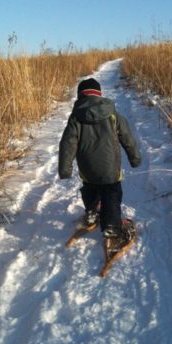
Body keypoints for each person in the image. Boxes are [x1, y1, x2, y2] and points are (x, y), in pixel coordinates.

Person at [58, 77, 141, 239]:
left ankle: (91, 212)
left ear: (80, 95)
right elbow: (127, 138)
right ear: (99, 94)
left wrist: (65, 169)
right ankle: (111, 225)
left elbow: (67, 144)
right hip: (110, 167)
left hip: (87, 167)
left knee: (89, 188)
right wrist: (134, 158)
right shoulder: (113, 115)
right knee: (111, 192)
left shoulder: (76, 118)